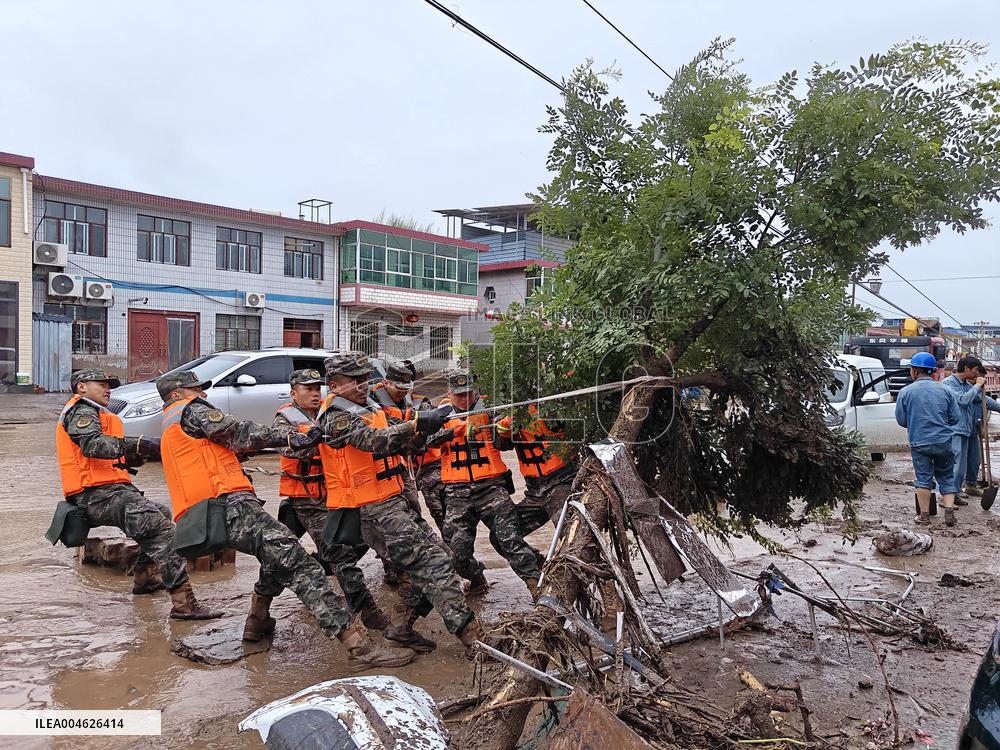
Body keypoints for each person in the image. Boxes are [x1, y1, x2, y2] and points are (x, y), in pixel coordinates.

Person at [155, 369, 413, 670]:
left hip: (211, 510)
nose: (204, 395)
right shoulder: (191, 410)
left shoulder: (173, 423)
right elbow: (241, 432)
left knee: (279, 558)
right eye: (196, 390)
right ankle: (359, 648)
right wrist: (297, 436)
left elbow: (215, 451)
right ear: (176, 394)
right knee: (306, 568)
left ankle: (257, 620)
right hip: (231, 505)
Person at [316, 352, 483, 656]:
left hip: (392, 501)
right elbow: (374, 440)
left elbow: (401, 446)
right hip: (370, 509)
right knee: (433, 564)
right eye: (355, 379)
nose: (363, 384)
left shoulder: (369, 406)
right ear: (335, 383)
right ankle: (474, 640)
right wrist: (417, 423)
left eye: (365, 377)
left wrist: (432, 429)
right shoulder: (334, 416)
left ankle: (401, 626)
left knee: (443, 557)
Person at [54, 368, 221, 619]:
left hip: (108, 491)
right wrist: (140, 444)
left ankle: (144, 578)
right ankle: (184, 604)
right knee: (164, 532)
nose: (107, 389)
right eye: (101, 384)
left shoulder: (94, 411)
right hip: (97, 495)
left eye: (108, 384)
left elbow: (104, 455)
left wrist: (134, 454)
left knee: (161, 512)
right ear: (81, 387)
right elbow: (92, 445)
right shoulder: (82, 410)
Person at [272, 368, 388, 630]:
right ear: (293, 393)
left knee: (356, 542)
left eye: (317, 388)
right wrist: (307, 441)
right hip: (303, 498)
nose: (314, 393)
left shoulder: (330, 413)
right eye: (307, 389)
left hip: (332, 496)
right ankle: (367, 611)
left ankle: (259, 616)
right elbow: (285, 446)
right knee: (338, 553)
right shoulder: (285, 418)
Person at [430, 371, 542, 596]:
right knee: (457, 552)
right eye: (460, 395)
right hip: (456, 492)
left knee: (509, 539)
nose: (466, 399)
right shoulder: (438, 415)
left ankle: (537, 586)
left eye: (470, 394)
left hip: (491, 487)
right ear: (450, 394)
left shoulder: (491, 410)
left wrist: (503, 429)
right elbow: (427, 440)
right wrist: (458, 429)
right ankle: (476, 577)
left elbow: (506, 442)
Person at [895, 352, 961, 526]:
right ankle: (949, 512)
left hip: (920, 442)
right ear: (931, 371)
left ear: (915, 371)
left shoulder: (905, 392)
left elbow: (902, 420)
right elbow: (955, 418)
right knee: (946, 476)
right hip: (944, 441)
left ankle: (924, 516)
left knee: (923, 479)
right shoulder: (946, 390)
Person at [498, 404, 579, 535]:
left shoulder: (552, 401)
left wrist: (537, 414)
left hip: (562, 481)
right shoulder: (503, 410)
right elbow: (501, 446)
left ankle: (572, 555)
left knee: (568, 529)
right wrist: (505, 432)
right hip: (534, 491)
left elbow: (559, 424)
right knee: (503, 534)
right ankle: (537, 557)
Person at [941, 356, 1000, 501]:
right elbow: (962, 399)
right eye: (975, 370)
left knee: (969, 463)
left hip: (967, 429)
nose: (976, 374)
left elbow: (984, 400)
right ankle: (949, 495)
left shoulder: (966, 385)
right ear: (967, 368)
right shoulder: (948, 384)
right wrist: (977, 386)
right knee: (956, 465)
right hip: (955, 430)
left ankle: (961, 489)